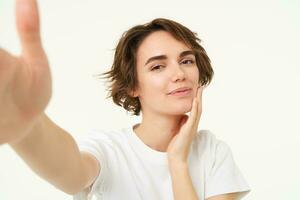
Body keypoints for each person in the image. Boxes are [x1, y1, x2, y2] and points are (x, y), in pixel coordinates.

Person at [0, 0, 251, 199]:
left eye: (186, 61)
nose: (179, 74)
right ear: (132, 86)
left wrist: (177, 161)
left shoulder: (213, 152)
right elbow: (71, 172)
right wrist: (29, 127)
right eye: (157, 67)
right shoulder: (110, 150)